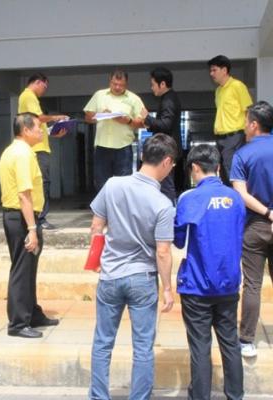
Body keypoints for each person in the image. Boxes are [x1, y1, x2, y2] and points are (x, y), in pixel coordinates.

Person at [89, 133, 177, 400]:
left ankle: (98, 396)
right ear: (167, 162)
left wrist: (97, 259)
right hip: (142, 278)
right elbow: (163, 252)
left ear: (142, 156)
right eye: (172, 165)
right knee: (142, 347)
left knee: (103, 343)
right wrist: (167, 288)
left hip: (110, 275)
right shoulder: (163, 204)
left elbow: (96, 226)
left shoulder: (113, 185)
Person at [174, 144, 245, 400]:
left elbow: (178, 240)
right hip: (228, 283)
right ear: (218, 167)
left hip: (197, 286)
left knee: (200, 347)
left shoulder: (189, 198)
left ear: (194, 167)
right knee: (230, 343)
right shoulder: (235, 198)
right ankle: (235, 395)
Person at [0, 113, 59, 339]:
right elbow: (24, 194)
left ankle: (32, 313)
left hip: (18, 217)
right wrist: (32, 229)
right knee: (22, 270)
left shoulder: (13, 151)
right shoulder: (23, 154)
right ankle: (18, 323)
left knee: (28, 269)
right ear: (25, 130)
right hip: (22, 218)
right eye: (37, 128)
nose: (41, 132)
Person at [230, 101, 273, 358]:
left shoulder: (242, 154)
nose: (244, 126)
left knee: (253, 284)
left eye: (246, 122)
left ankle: (246, 340)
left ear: (254, 125)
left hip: (255, 225)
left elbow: (241, 194)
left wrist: (268, 213)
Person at [18, 73, 68, 230]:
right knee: (42, 183)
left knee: (40, 183)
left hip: (38, 147)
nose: (44, 90)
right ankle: (40, 218)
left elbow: (36, 124)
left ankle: (37, 217)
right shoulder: (28, 95)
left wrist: (53, 132)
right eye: (44, 87)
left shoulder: (28, 97)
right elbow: (38, 118)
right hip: (37, 149)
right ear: (38, 82)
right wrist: (56, 117)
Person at [84, 70, 145, 191]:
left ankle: (121, 204)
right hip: (102, 147)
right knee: (101, 184)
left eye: (121, 85)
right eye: (114, 84)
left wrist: (128, 121)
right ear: (110, 81)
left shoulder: (134, 99)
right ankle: (104, 204)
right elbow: (87, 117)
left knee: (123, 184)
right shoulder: (99, 95)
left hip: (123, 147)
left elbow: (142, 123)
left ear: (126, 84)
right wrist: (100, 115)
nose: (117, 87)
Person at [207, 55, 253, 186]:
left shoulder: (237, 86)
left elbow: (248, 111)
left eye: (214, 70)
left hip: (235, 136)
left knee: (232, 169)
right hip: (220, 137)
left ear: (224, 70)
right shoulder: (218, 91)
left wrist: (249, 134)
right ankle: (231, 195)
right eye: (210, 70)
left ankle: (239, 196)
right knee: (223, 171)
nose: (211, 74)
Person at [141, 67, 182, 204]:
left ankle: (169, 212)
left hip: (167, 149)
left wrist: (147, 118)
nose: (151, 87)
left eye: (153, 84)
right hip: (168, 148)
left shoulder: (168, 100)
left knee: (166, 184)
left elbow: (166, 124)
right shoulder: (169, 98)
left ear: (162, 84)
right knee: (164, 183)